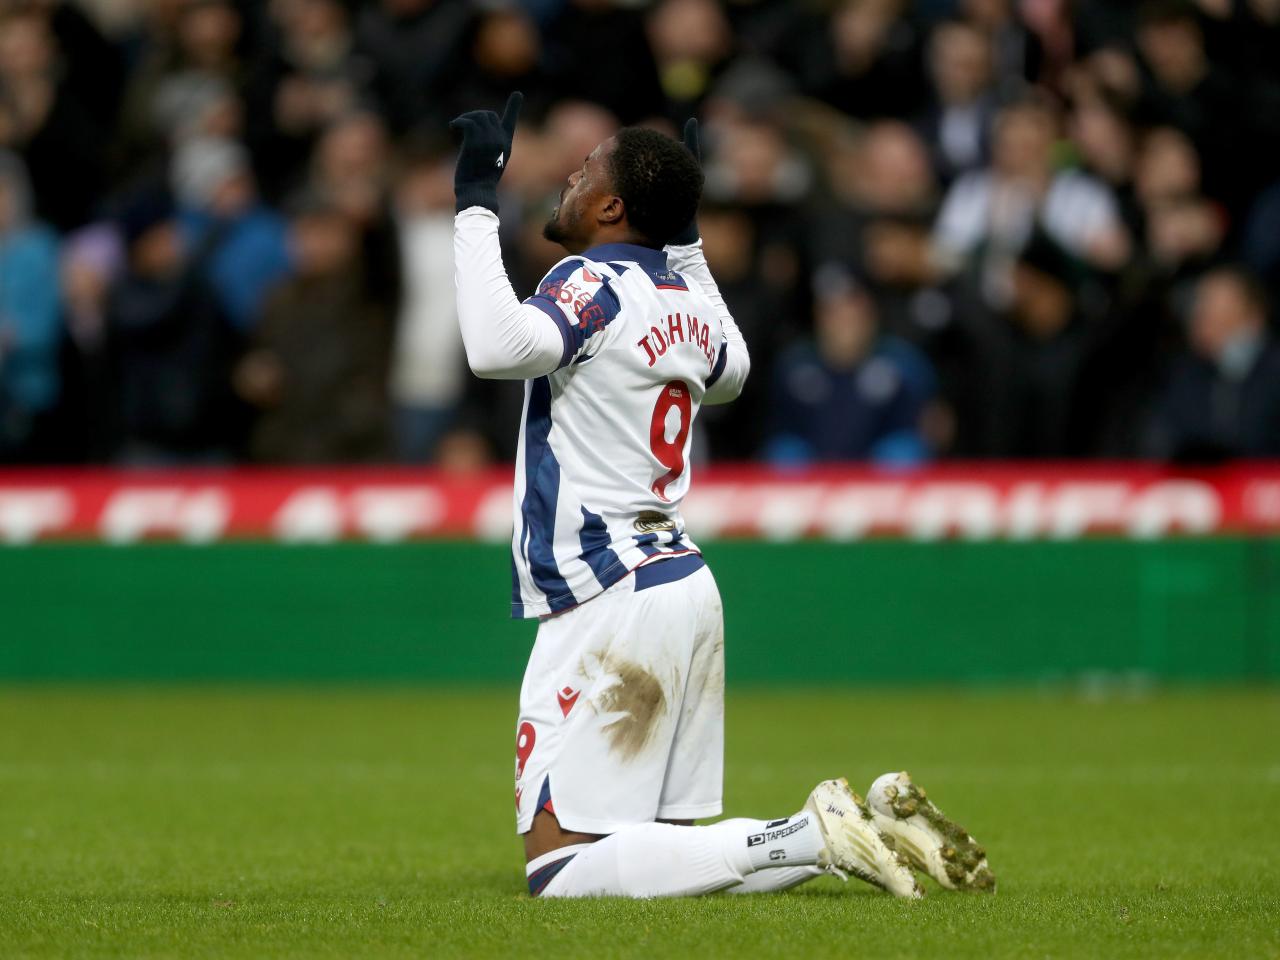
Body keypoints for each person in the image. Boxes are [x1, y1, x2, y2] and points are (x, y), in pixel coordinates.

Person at [450, 92, 995, 899]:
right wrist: (689, 245)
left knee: (559, 870)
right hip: (683, 586)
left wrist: (473, 204)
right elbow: (733, 369)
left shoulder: (590, 280)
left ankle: (811, 831)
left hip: (609, 593)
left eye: (586, 171)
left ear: (611, 208)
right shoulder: (686, 302)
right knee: (670, 854)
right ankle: (854, 833)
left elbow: (498, 348)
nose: (568, 178)